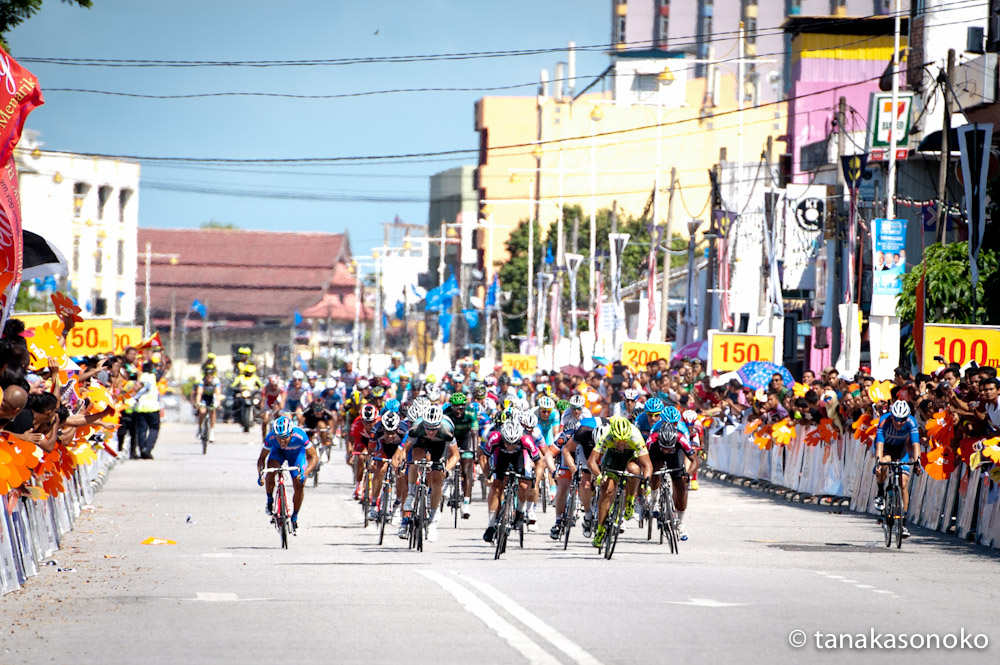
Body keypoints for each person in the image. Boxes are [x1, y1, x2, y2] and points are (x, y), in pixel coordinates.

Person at [481, 419, 551, 543]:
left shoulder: (526, 440)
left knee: (525, 486)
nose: (510, 446)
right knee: (496, 487)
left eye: (513, 443)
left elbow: (539, 462)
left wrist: (536, 481)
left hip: (519, 458)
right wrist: (487, 476)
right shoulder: (495, 437)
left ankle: (519, 511)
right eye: (507, 443)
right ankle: (491, 525)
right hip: (501, 458)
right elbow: (483, 456)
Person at [588, 416, 652, 549]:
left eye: (624, 441)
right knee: (607, 490)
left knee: (634, 470)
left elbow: (647, 465)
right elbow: (591, 461)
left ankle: (629, 500)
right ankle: (600, 530)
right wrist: (599, 476)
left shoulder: (635, 436)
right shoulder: (607, 436)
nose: (621, 445)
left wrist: (646, 482)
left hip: (631, 456)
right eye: (618, 441)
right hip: (613, 456)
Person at [402, 404, 459, 543]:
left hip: (439, 446)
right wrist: (403, 461)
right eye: (428, 428)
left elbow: (455, 455)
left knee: (437, 478)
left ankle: (432, 520)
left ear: (439, 425)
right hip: (421, 442)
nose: (431, 431)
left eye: (434, 429)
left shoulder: (447, 430)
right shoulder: (416, 427)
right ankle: (411, 493)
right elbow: (404, 449)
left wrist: (446, 469)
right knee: (416, 458)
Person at [256, 415, 318, 531]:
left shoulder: (300, 435)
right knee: (271, 469)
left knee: (299, 485)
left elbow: (314, 457)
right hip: (278, 454)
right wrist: (260, 475)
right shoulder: (271, 438)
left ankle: (294, 516)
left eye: (285, 437)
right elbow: (261, 459)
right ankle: (270, 499)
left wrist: (305, 474)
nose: (282, 440)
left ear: (291, 433)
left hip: (296, 456)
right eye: (279, 437)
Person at [873, 400, 922, 538]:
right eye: (897, 419)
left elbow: (915, 444)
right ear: (892, 416)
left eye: (903, 420)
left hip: (901, 451)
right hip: (886, 448)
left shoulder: (911, 422)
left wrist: (918, 463)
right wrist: (878, 463)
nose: (899, 423)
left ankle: (903, 523)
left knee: (903, 483)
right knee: (884, 462)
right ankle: (881, 493)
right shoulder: (884, 421)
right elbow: (879, 445)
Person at [443, 392, 479, 519]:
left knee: (466, 470)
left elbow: (474, 433)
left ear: (465, 406)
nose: (458, 410)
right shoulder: (446, 413)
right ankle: (447, 480)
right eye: (455, 407)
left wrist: (474, 452)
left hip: (466, 437)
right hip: (450, 436)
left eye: (461, 407)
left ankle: (466, 503)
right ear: (451, 406)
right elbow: (442, 433)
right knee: (446, 456)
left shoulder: (470, 412)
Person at [132, 361, 162, 460]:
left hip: (140, 407)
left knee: (142, 429)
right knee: (154, 429)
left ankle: (142, 449)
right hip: (152, 407)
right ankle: (147, 448)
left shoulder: (140, 377)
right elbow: (163, 369)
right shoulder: (154, 377)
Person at [193, 370, 222, 442]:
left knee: (212, 412)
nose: (209, 378)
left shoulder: (215, 382)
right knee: (202, 412)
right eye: (207, 376)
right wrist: (197, 403)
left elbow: (217, 393)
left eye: (210, 376)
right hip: (204, 398)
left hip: (211, 398)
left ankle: (211, 432)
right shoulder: (202, 382)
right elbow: (199, 393)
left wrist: (218, 403)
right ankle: (200, 428)